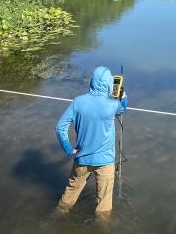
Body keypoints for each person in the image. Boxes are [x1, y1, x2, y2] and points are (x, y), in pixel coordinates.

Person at [55, 66, 128, 213]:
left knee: (67, 200)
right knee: (104, 207)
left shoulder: (78, 102)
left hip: (81, 159)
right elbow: (122, 109)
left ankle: (56, 217)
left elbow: (60, 128)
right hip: (105, 161)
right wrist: (124, 97)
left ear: (92, 82)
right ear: (109, 84)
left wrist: (69, 149)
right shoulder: (113, 105)